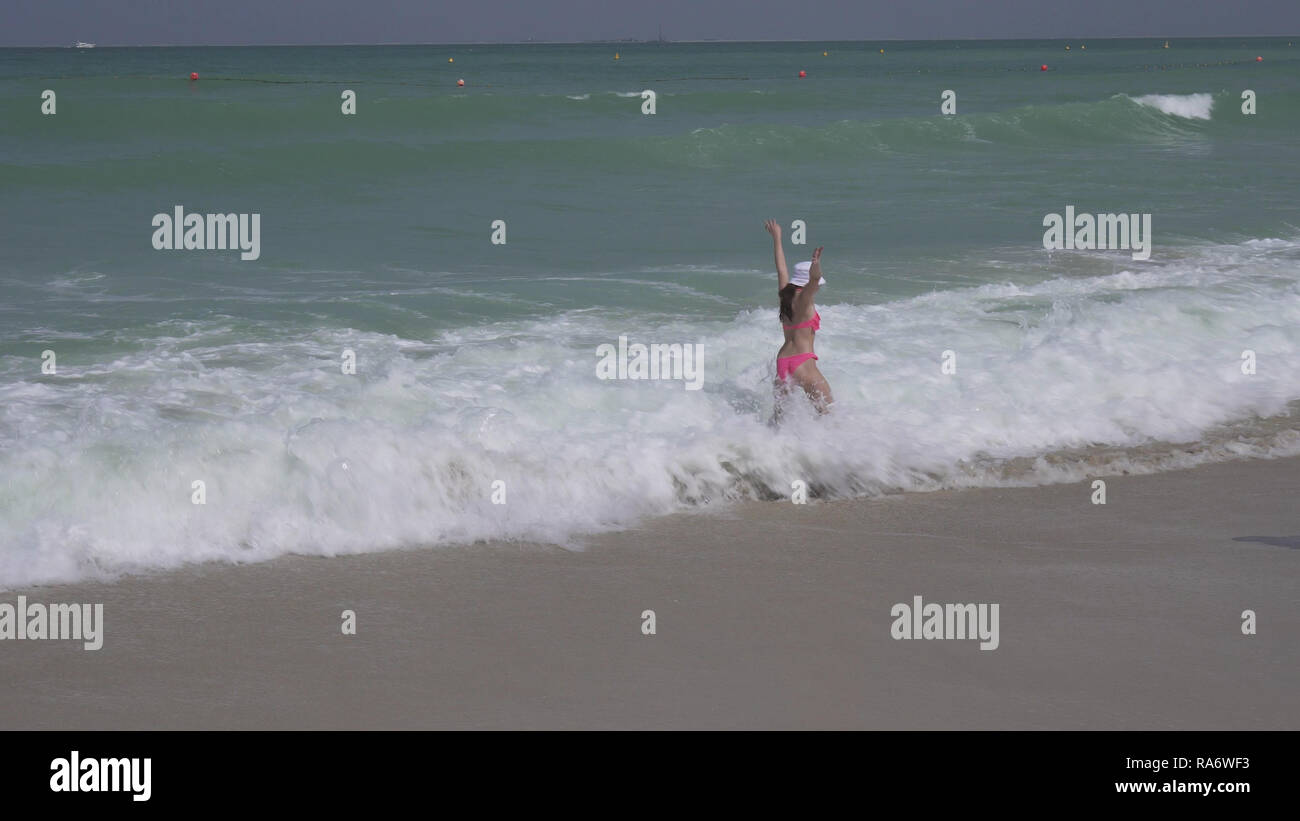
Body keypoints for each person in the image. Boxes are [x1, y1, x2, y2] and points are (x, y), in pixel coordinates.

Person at [765, 219, 832, 414]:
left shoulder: (784, 294)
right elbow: (815, 279)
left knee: (780, 419)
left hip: (783, 362)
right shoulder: (804, 299)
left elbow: (781, 269)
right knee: (829, 415)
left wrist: (777, 238)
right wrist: (816, 265)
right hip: (802, 363)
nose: (819, 287)